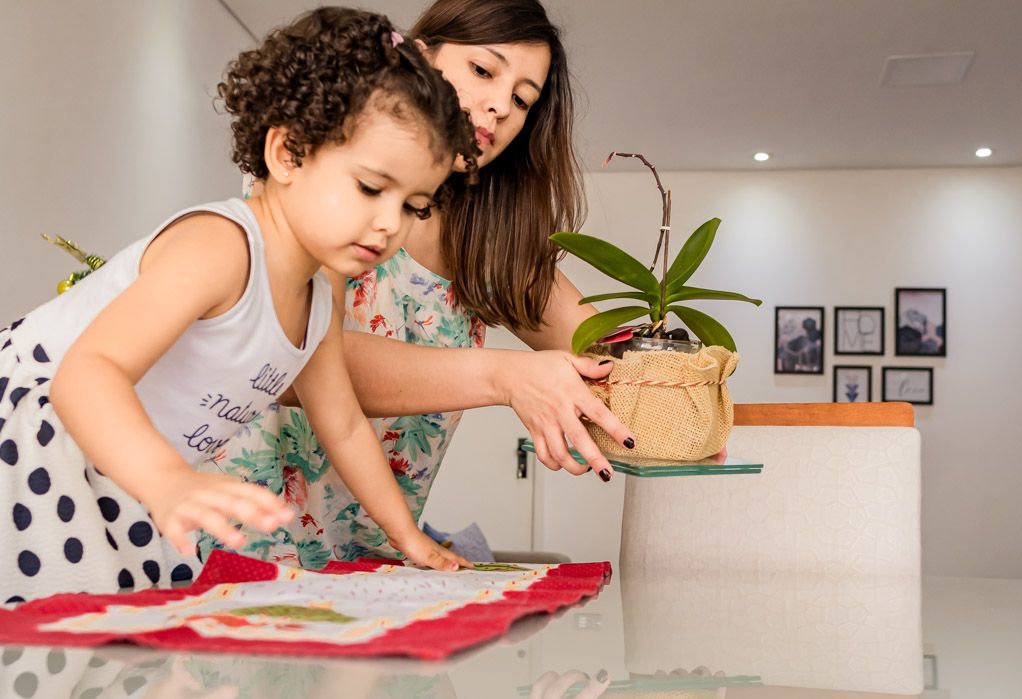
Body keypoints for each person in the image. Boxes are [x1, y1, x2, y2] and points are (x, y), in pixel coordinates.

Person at [0, 6, 476, 603]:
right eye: (370, 188)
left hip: (120, 472)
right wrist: (169, 481)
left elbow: (346, 424)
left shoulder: (317, 297)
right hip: (37, 444)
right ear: (289, 154)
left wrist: (406, 535)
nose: (388, 224)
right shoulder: (223, 247)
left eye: (414, 206)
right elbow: (86, 375)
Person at [220, 0, 636, 566]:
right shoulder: (321, 176)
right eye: (484, 71)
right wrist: (506, 375)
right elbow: (298, 360)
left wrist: (685, 393)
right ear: (419, 56)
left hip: (370, 557)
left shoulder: (493, 240)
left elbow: (613, 357)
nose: (498, 108)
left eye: (522, 100)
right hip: (234, 529)